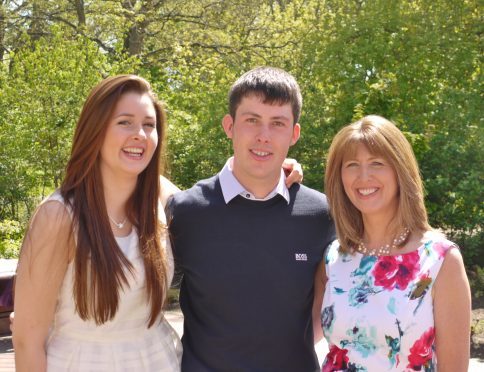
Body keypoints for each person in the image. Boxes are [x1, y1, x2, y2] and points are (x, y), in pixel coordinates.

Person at [167, 66, 335, 371]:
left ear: (294, 134)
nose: (263, 136)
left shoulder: (321, 215)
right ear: (229, 125)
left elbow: (325, 308)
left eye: (278, 123)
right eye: (252, 120)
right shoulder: (186, 212)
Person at [13, 75, 182, 371]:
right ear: (96, 130)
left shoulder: (159, 195)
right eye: (124, 122)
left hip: (160, 360)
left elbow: (217, 206)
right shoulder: (59, 216)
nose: (140, 134)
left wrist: (278, 176)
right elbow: (28, 338)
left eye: (149, 124)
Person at [315, 115, 471, 371]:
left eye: (377, 163)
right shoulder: (334, 257)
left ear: (400, 170)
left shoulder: (441, 260)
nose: (363, 176)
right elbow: (296, 337)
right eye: (352, 164)